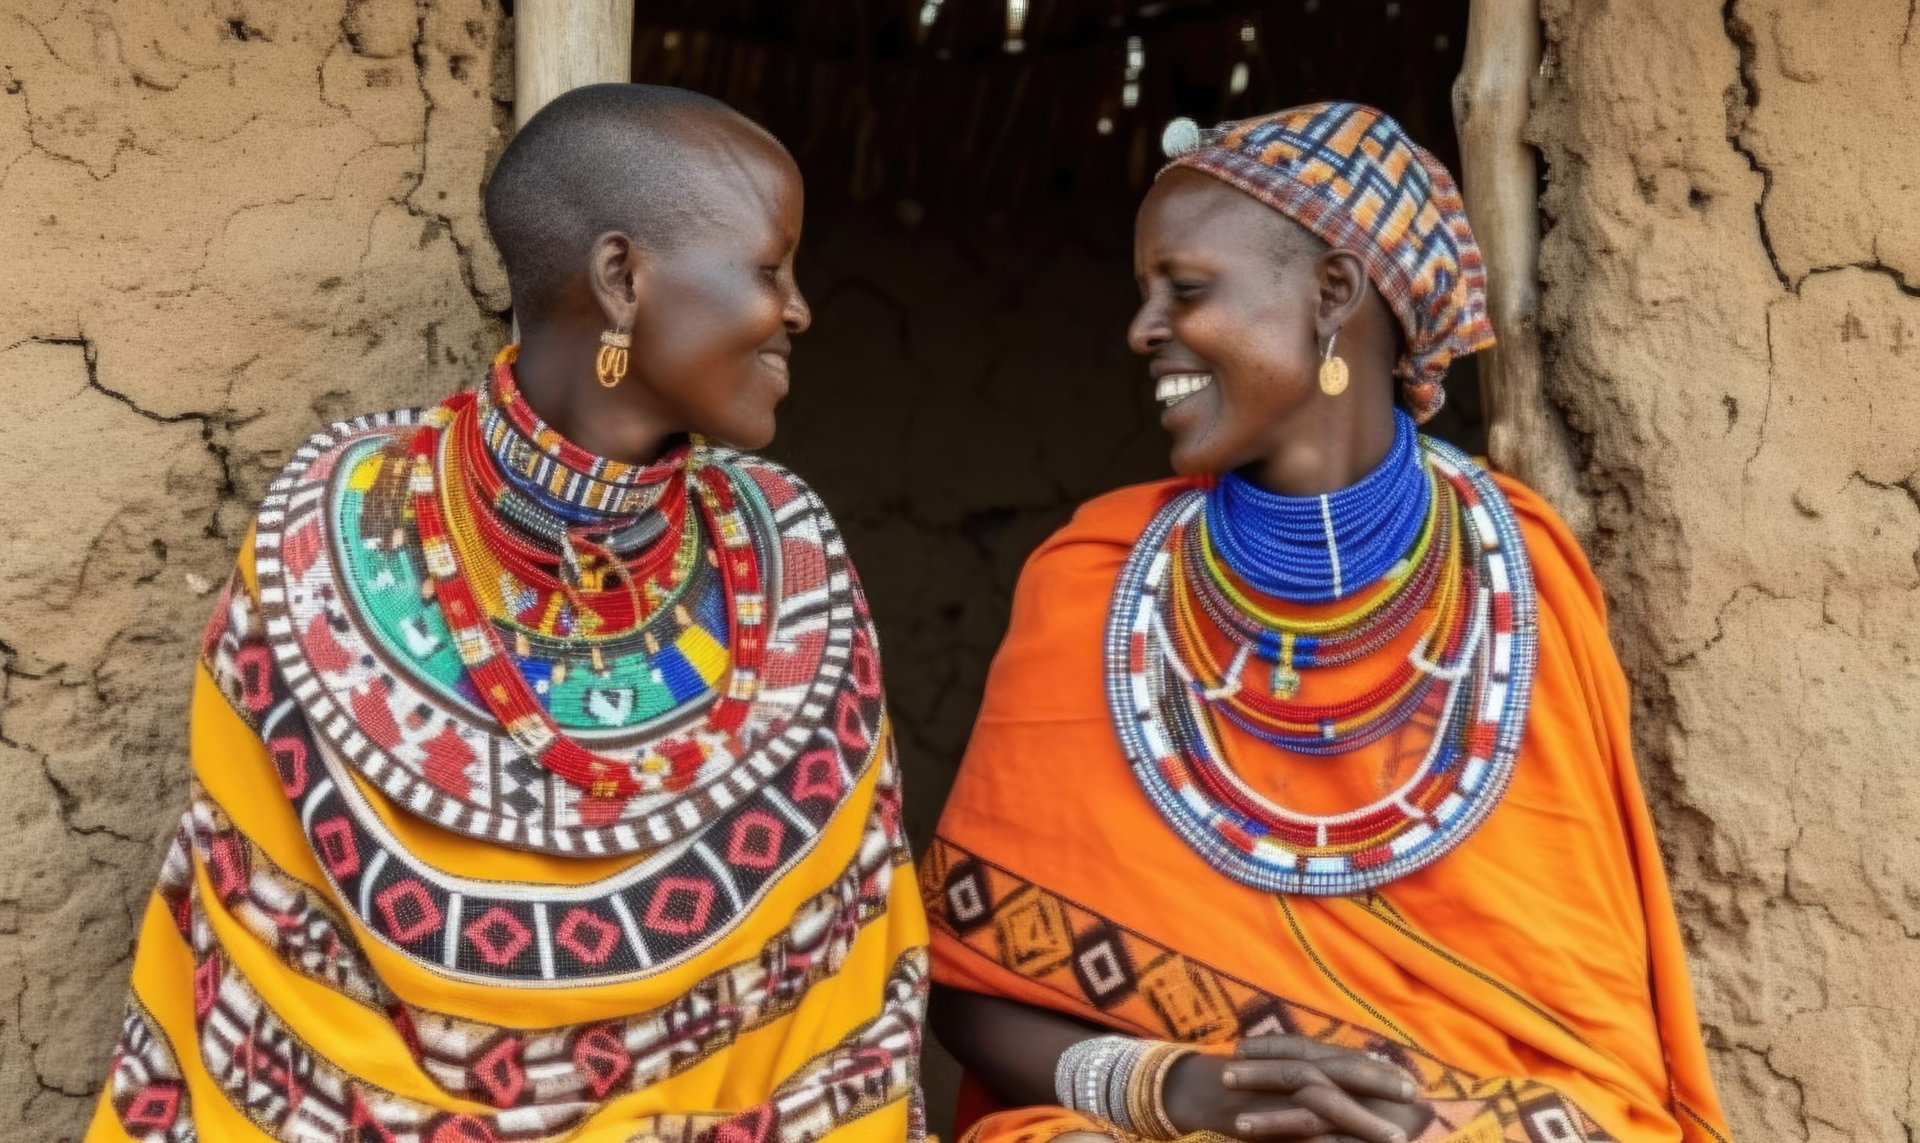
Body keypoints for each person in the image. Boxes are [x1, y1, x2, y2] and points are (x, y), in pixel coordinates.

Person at [88, 84, 927, 1143]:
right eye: (771, 270)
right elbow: (267, 958)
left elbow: (847, 971)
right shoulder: (334, 532)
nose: (800, 308)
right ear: (623, 278)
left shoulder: (787, 549)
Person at [923, 103, 1732, 1143]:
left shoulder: (1519, 578)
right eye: (1144, 294)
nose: (1143, 329)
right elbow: (972, 983)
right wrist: (1185, 1089)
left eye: (1188, 289)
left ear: (1333, 293)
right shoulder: (1098, 578)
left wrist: (1419, 1124)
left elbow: (1588, 1036)